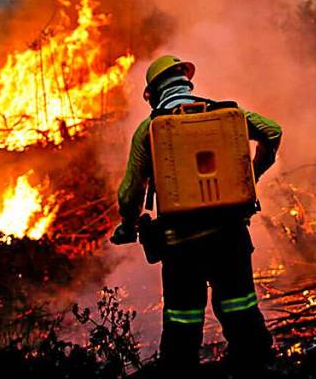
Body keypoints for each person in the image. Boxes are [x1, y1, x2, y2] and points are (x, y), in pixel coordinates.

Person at [112, 55, 282, 375]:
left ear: (154, 93)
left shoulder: (149, 129)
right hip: (230, 237)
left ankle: (180, 371)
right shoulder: (225, 114)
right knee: (240, 306)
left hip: (180, 247)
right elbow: (272, 131)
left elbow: (130, 191)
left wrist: (127, 224)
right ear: (185, 81)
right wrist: (253, 174)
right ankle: (255, 364)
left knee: (182, 317)